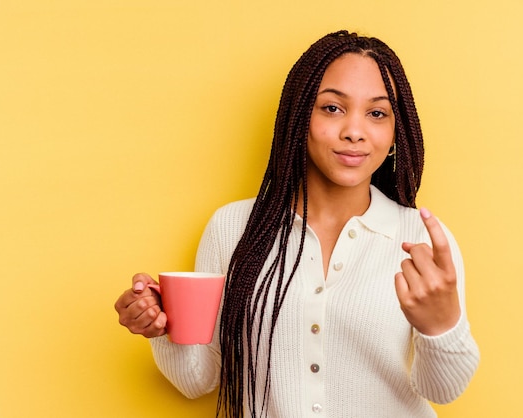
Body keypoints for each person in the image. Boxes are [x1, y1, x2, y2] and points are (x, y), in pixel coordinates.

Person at [115, 30, 479, 418]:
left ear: (394, 134)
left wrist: (441, 326)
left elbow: (442, 390)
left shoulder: (421, 239)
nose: (354, 131)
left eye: (376, 113)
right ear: (299, 116)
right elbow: (198, 381)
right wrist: (163, 328)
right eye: (332, 108)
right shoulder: (234, 229)